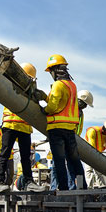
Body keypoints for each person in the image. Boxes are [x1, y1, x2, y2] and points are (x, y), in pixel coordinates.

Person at [0, 63, 43, 192]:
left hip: (23, 126)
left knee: (25, 156)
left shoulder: (31, 89)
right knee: (5, 153)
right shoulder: (10, 84)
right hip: (11, 124)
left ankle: (28, 182)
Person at [40, 54, 85, 190]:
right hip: (70, 129)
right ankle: (82, 187)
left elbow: (54, 106)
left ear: (55, 70)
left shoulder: (58, 85)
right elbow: (65, 104)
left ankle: (64, 188)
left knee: (59, 161)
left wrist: (45, 110)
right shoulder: (72, 85)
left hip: (57, 128)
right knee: (74, 160)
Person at [84, 119, 106, 188]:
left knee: (99, 171)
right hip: (88, 152)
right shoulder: (92, 131)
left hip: (98, 153)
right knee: (89, 169)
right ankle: (89, 189)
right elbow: (91, 148)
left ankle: (102, 189)